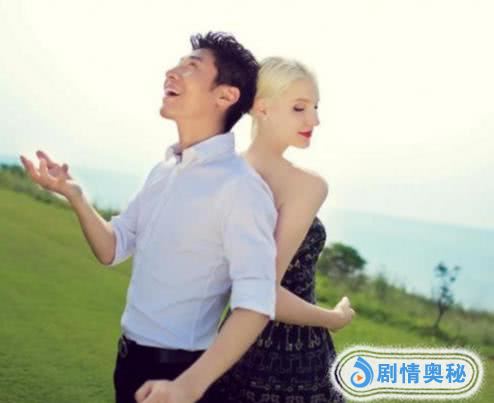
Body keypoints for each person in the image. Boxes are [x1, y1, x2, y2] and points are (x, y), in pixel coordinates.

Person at [20, 32, 279, 403]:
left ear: (225, 96)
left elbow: (255, 305)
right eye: (178, 64)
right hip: (130, 361)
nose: (172, 72)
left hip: (177, 373)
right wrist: (74, 195)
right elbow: (112, 247)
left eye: (192, 67)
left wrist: (188, 386)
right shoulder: (165, 171)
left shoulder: (241, 188)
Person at [210, 57, 355, 403]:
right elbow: (264, 293)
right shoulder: (306, 186)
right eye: (299, 108)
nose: (314, 120)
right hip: (296, 360)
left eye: (315, 108)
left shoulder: (220, 171)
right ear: (262, 108)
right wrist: (333, 318)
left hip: (230, 350)